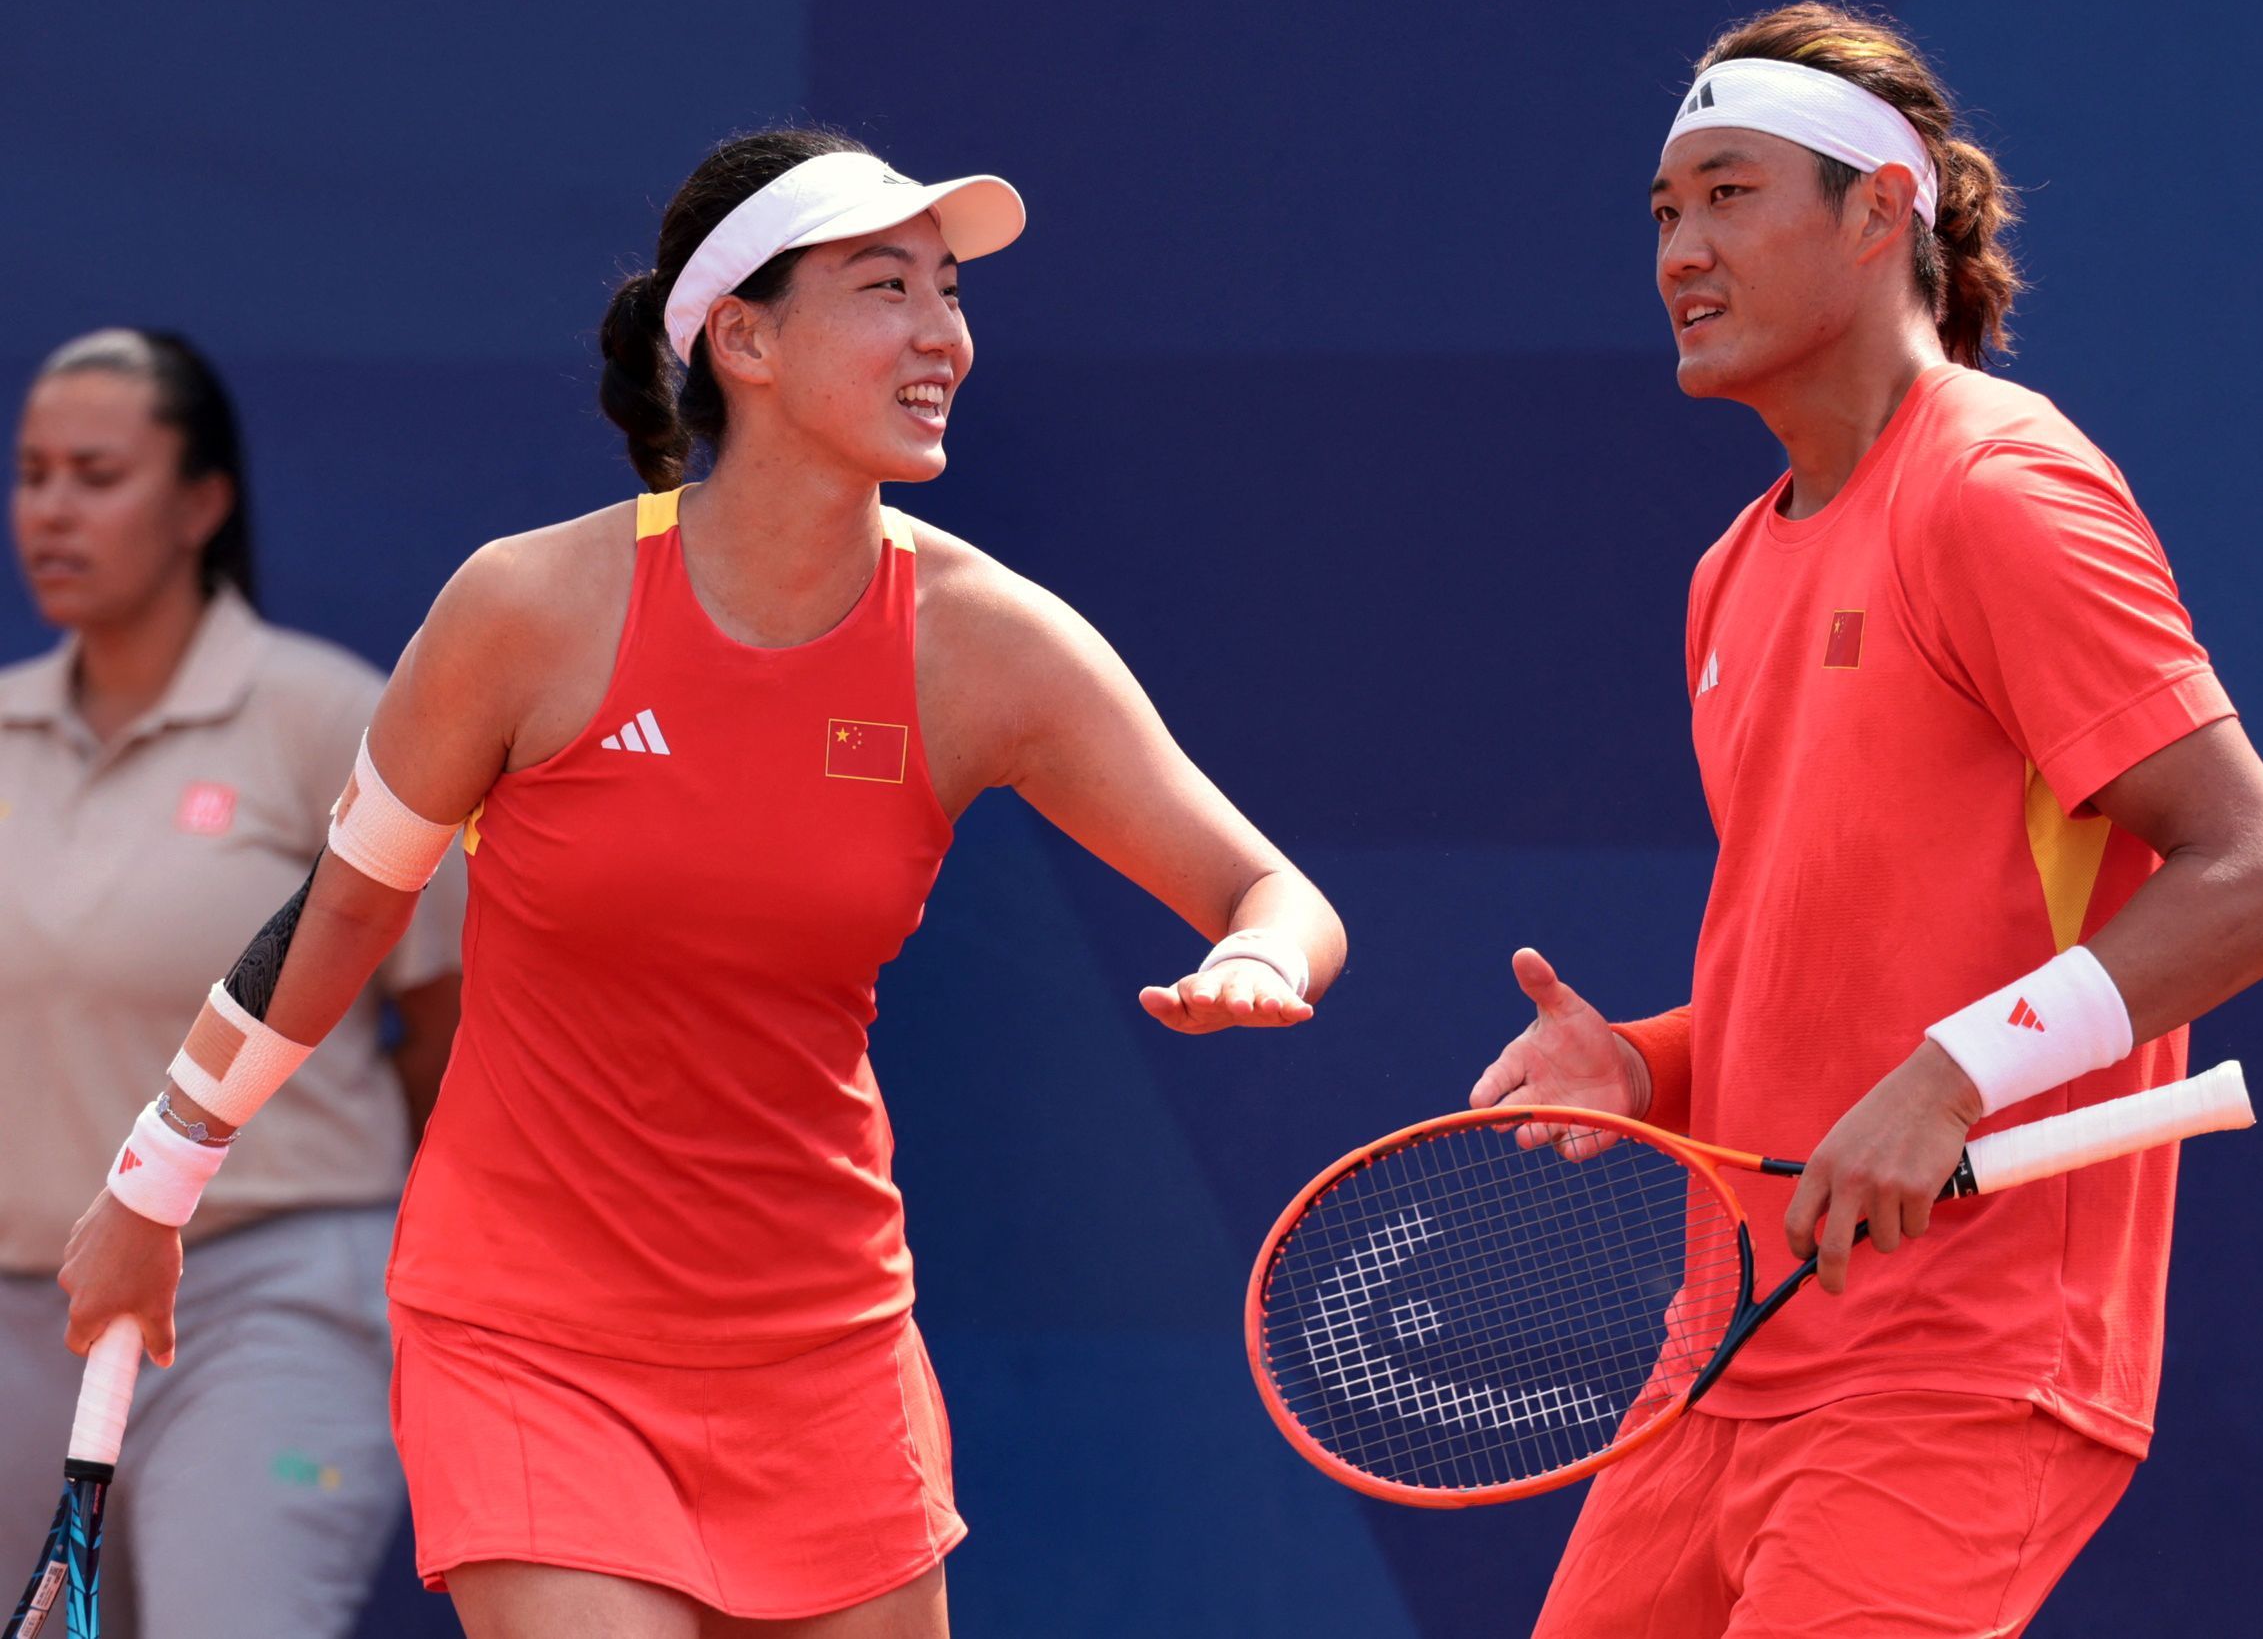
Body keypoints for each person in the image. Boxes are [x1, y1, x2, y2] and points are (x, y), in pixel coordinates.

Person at [53, 129, 1344, 1639]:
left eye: (948, 291)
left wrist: (1263, 954)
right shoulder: (528, 610)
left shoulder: (989, 646)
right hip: (528, 1338)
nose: (945, 333)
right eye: (887, 288)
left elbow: (1272, 889)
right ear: (744, 335)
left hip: (827, 1354)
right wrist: (156, 1180)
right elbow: (345, 908)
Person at [1468, 3, 2263, 1637]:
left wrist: (1955, 1075)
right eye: (1665, 212)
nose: (1680, 251)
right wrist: (1653, 1060)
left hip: (1955, 1376)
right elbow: (1857, 958)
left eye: (1730, 194)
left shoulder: (2000, 491)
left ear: (1884, 211)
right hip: (1724, 1365)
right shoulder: (1730, 573)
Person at [2, 327, 465, 1637]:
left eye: (96, 473)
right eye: (32, 474)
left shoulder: (326, 719)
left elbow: (453, 1033)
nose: (51, 509)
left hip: (274, 1297)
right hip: (18, 1310)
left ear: (203, 501)